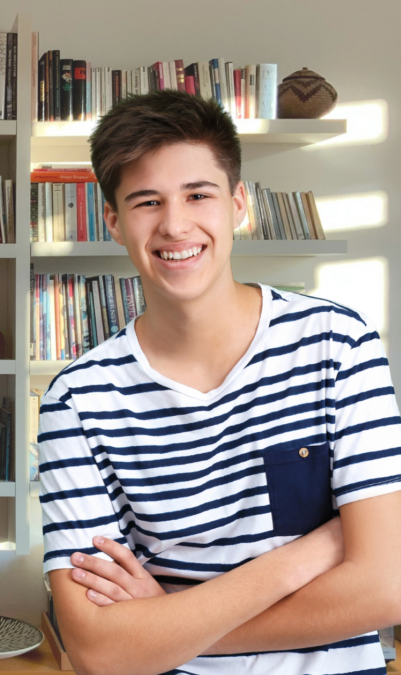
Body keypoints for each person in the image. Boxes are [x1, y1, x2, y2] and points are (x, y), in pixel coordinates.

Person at [38, 90, 401, 675]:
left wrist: (168, 624)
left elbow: (387, 585)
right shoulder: (78, 399)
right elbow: (97, 649)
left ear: (237, 204)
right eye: (146, 201)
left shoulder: (338, 343)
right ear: (114, 221)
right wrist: (314, 551)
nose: (175, 224)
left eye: (198, 195)